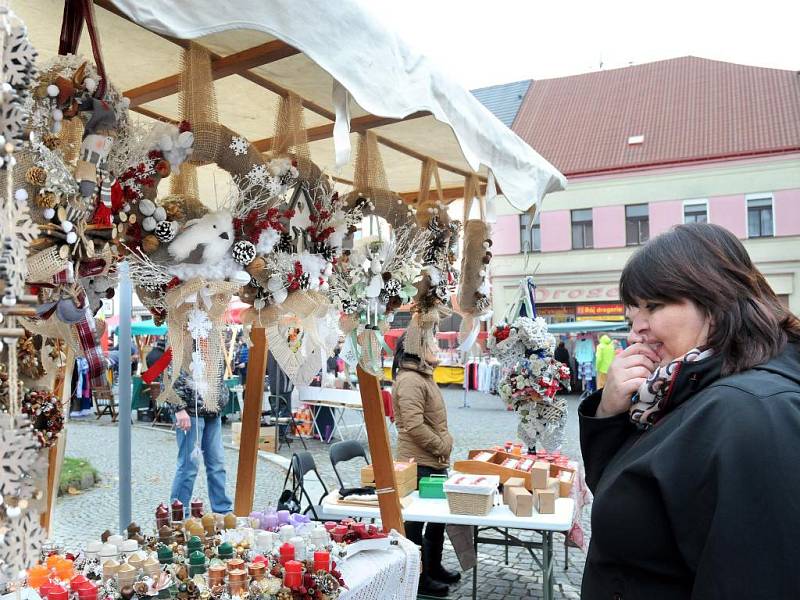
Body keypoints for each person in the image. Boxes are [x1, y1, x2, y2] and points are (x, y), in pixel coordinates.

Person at [579, 223, 800, 598]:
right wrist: (609, 412)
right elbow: (625, 499)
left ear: (716, 300)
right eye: (633, 312)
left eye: (654, 306)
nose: (637, 331)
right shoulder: (679, 391)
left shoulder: (751, 412)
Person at [392, 329, 459, 598]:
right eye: (431, 343)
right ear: (418, 350)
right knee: (415, 525)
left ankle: (433, 566)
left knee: (436, 520)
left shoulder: (422, 376)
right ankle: (418, 578)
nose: (436, 346)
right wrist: (441, 445)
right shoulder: (410, 380)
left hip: (433, 460)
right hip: (419, 462)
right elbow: (413, 424)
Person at [170, 368, 233, 516]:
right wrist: (179, 408)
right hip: (191, 412)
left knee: (217, 464)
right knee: (188, 466)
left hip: (212, 411)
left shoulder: (214, 345)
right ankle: (179, 515)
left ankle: (223, 511)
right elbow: (170, 374)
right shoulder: (182, 344)